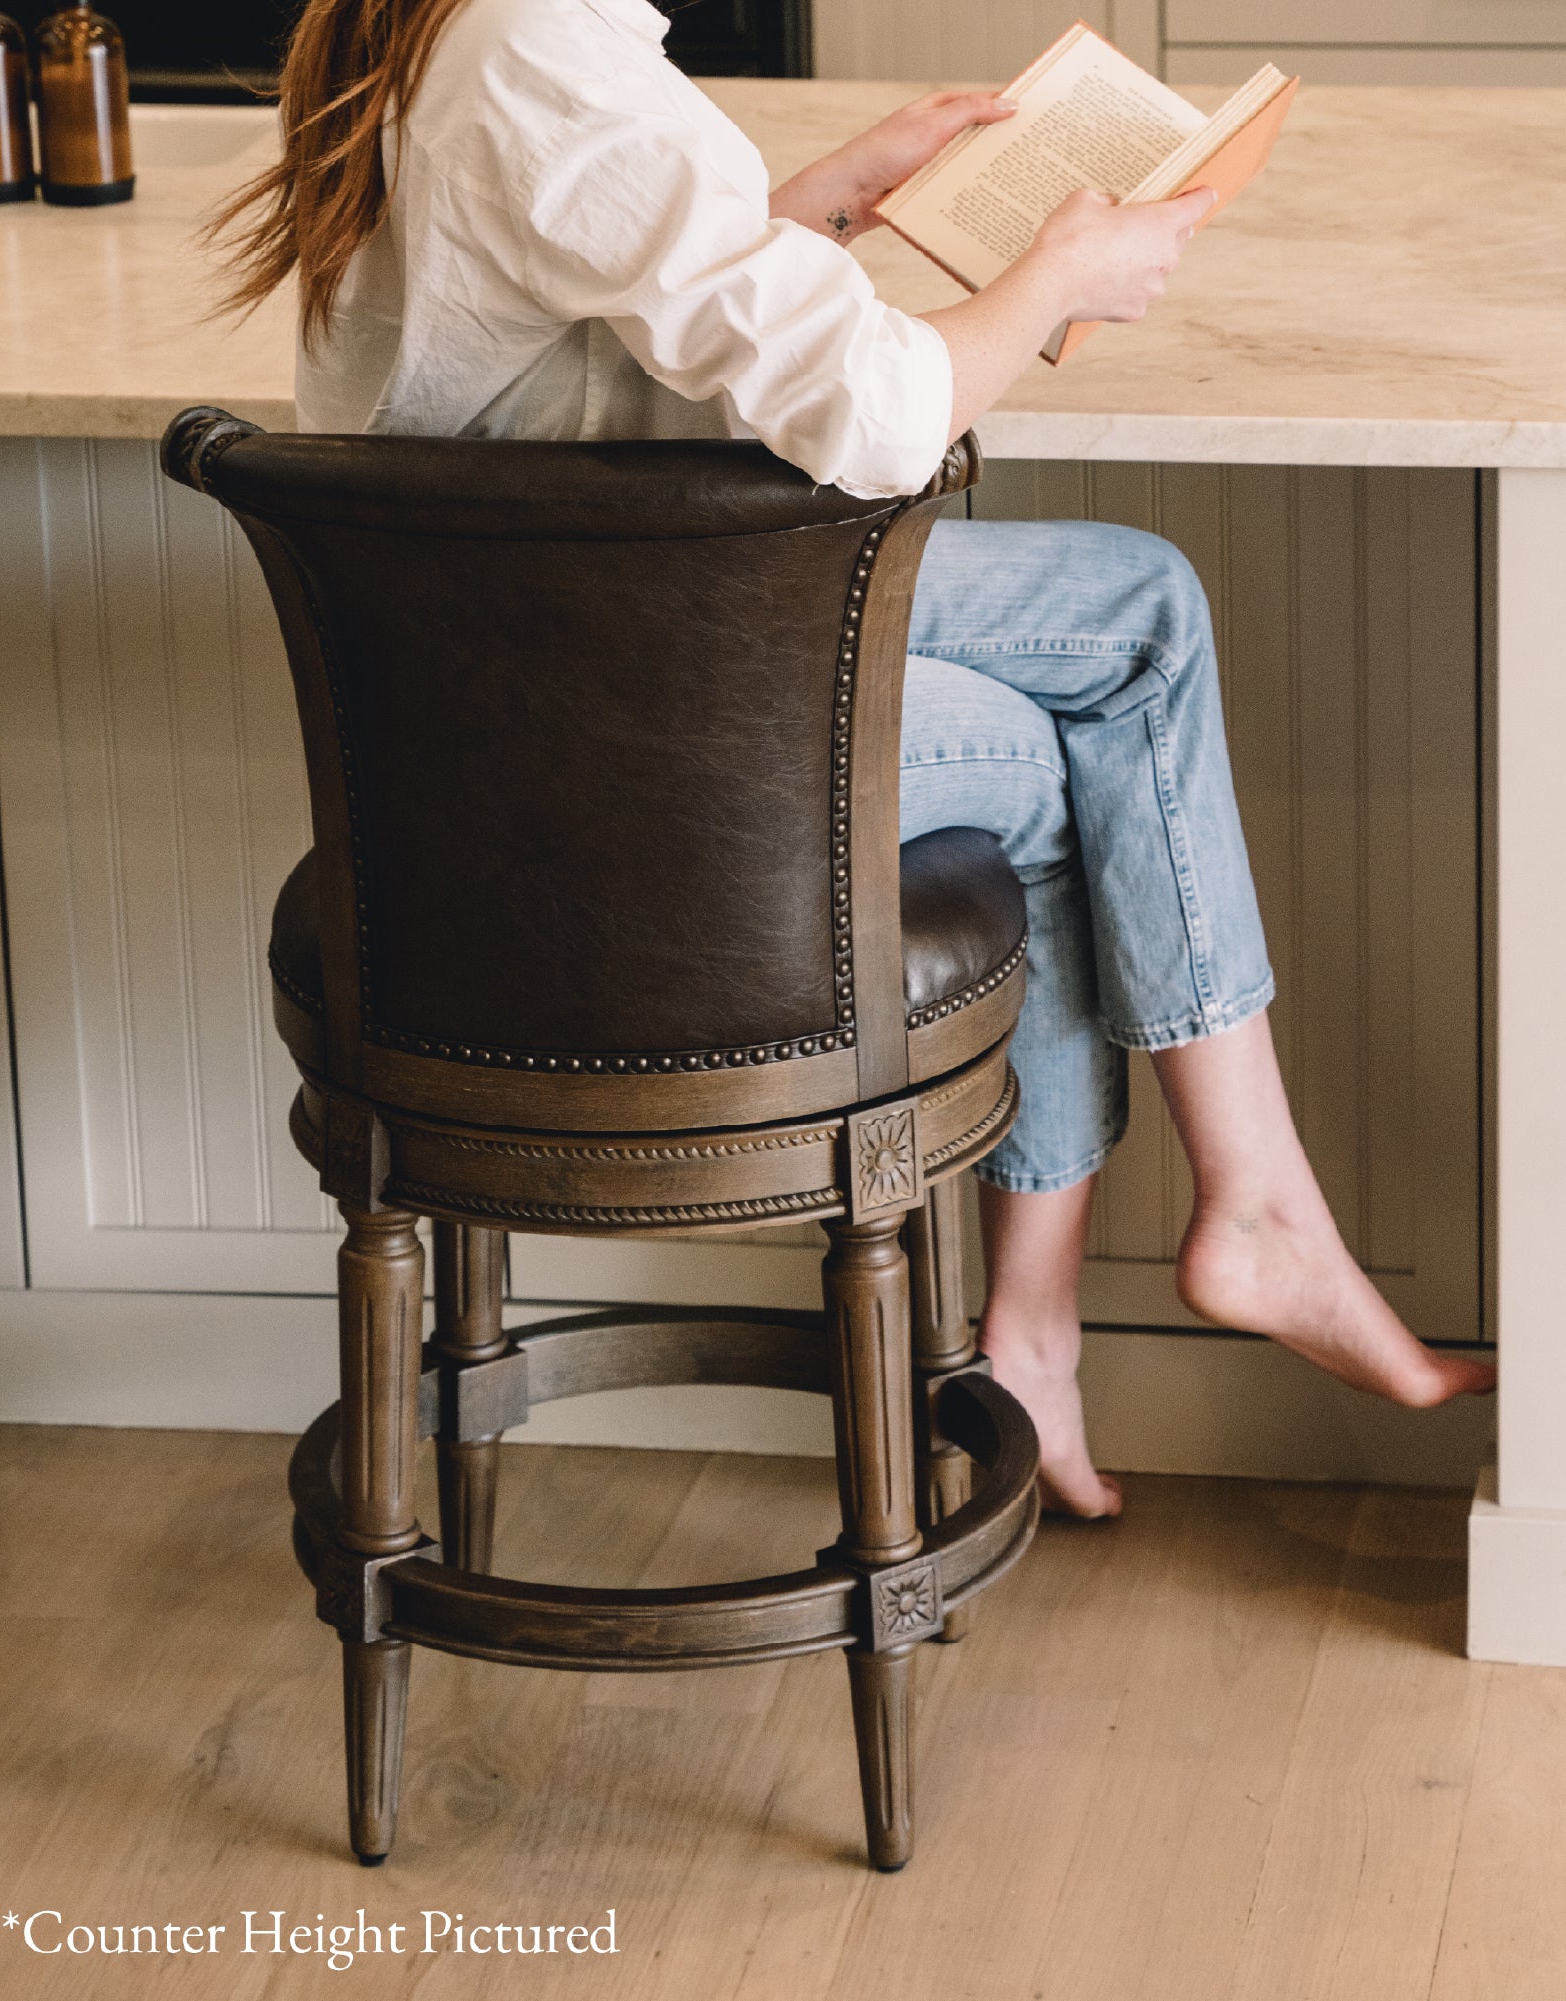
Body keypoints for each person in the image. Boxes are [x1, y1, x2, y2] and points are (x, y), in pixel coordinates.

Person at [216, 0, 1495, 1520]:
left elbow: (567, 287)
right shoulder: (545, 50)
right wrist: (1056, 278)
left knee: (1116, 644)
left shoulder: (462, 30)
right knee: (1079, 727)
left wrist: (818, 200)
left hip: (518, 700)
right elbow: (882, 418)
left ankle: (1103, 1298)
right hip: (622, 745)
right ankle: (1174, 1257)